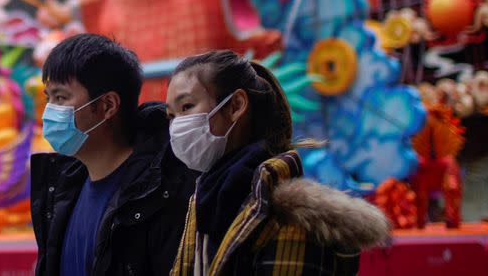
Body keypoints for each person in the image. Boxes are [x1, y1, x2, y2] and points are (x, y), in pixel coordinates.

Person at [166, 50, 391, 276]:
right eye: (171, 116)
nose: (176, 127)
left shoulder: (292, 219)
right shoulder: (205, 201)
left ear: (235, 106)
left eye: (186, 107)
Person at [31, 34, 196, 276]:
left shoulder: (162, 195)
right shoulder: (61, 189)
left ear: (108, 105)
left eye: (61, 97)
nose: (49, 111)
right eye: (49, 98)